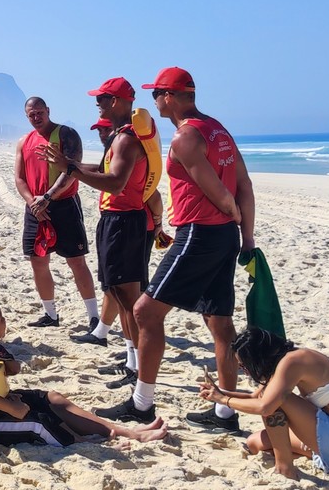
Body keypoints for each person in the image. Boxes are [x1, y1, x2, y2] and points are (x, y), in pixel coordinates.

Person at [98, 67, 254, 431]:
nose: (153, 101)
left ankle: (141, 405)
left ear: (169, 96)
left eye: (156, 94)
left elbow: (223, 192)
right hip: (224, 237)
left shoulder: (186, 137)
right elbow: (245, 184)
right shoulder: (219, 130)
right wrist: (245, 236)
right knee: (220, 322)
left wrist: (230, 213)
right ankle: (225, 413)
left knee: (145, 312)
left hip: (199, 234)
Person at [0, 296, 169, 446]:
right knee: (39, 422)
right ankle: (83, 443)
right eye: (1, 318)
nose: (5, 321)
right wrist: (10, 407)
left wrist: (5, 397)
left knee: (47, 399)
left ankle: (120, 431)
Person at [59, 78, 151, 389]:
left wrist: (71, 170)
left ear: (119, 102)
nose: (98, 103)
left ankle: (138, 370)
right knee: (120, 295)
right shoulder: (119, 139)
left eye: (104, 98)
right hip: (117, 221)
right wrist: (71, 164)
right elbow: (102, 170)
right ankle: (131, 362)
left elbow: (115, 183)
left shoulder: (125, 140)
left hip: (124, 222)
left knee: (128, 300)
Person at [201, 327, 329, 479]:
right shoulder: (285, 362)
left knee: (275, 403)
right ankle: (321, 459)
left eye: (244, 366)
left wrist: (224, 400)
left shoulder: (293, 361)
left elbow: (265, 406)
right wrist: (220, 393)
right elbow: (255, 397)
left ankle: (285, 468)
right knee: (254, 442)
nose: (244, 371)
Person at [14, 97, 97, 329]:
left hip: (64, 204)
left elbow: (72, 169)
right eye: (32, 114)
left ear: (48, 111)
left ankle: (93, 316)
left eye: (40, 112)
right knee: (38, 261)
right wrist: (33, 203)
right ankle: (50, 315)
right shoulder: (24, 141)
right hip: (35, 208)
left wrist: (48, 196)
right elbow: (19, 178)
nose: (36, 117)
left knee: (76, 261)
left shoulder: (66, 134)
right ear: (27, 116)